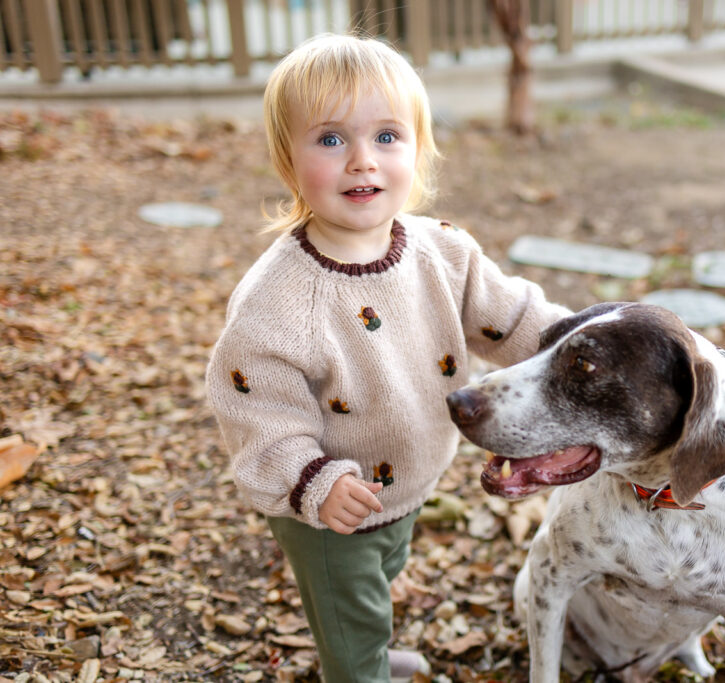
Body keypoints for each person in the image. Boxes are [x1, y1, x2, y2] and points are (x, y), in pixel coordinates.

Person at [205, 33, 569, 682]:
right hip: (327, 500)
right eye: (330, 139)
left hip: (405, 481)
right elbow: (256, 407)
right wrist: (315, 481)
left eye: (387, 136)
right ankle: (357, 666)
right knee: (352, 604)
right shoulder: (279, 298)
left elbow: (512, 316)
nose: (361, 161)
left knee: (382, 571)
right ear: (288, 163)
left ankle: (364, 651)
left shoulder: (442, 252)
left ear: (419, 151)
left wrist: (579, 344)